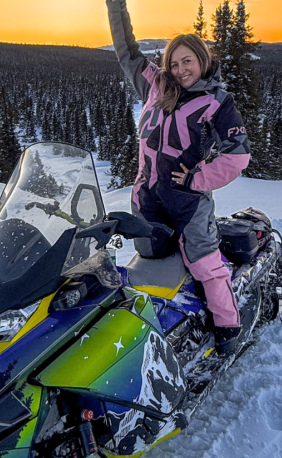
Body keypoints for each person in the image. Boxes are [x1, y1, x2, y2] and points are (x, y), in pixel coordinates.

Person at [106, 0, 252, 354]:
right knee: (148, 264)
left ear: (202, 59)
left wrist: (197, 179)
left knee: (205, 265)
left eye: (188, 60)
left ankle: (227, 327)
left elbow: (238, 155)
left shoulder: (217, 101)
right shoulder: (155, 87)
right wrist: (115, 5)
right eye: (174, 62)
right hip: (147, 199)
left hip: (187, 202)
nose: (181, 69)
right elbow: (127, 50)